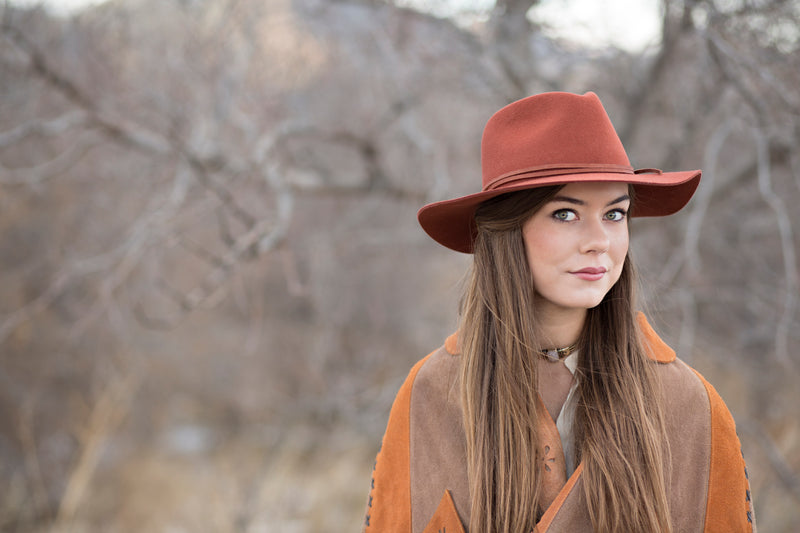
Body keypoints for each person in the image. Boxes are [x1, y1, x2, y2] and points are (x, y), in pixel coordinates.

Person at [361, 92, 755, 533]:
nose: (599, 241)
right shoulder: (431, 395)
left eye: (615, 213)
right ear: (508, 232)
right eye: (565, 213)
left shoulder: (688, 404)